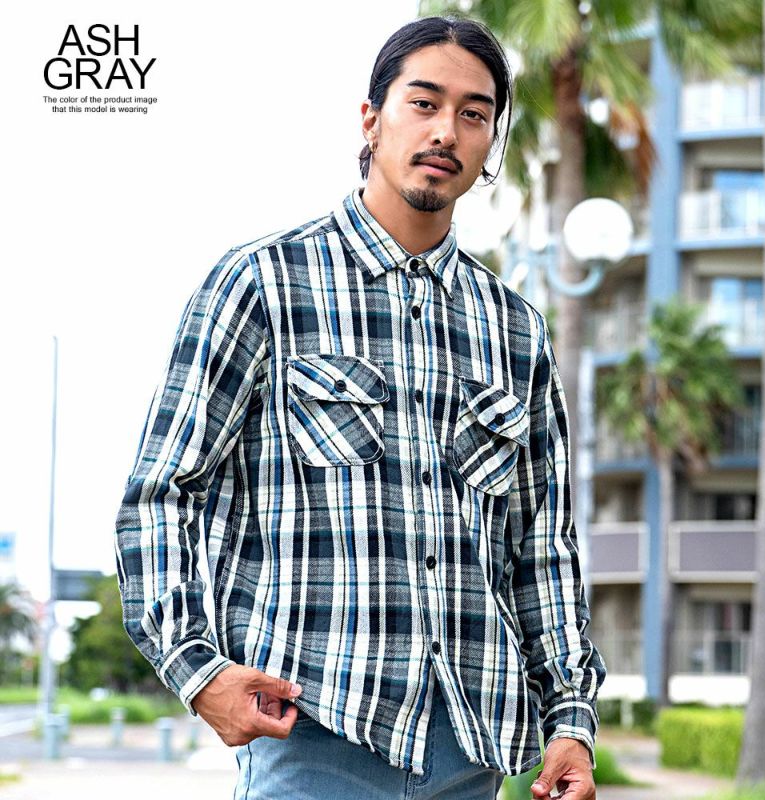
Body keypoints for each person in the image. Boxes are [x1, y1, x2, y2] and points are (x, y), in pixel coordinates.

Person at [114, 15, 606, 800]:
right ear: (372, 120)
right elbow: (162, 492)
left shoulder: (516, 330)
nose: (445, 131)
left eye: (474, 114)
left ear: (490, 145)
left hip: (471, 750)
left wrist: (570, 720)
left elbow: (542, 546)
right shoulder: (263, 283)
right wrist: (196, 669)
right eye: (424, 103)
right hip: (314, 735)